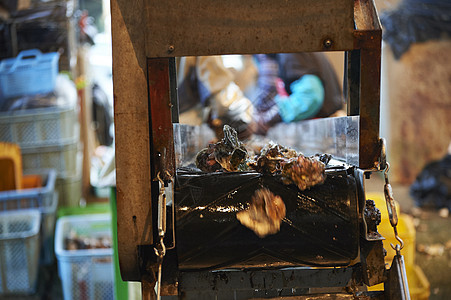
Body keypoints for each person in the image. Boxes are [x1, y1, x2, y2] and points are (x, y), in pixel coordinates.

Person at [252, 53, 345, 135]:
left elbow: (310, 97)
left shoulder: (291, 52)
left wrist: (273, 117)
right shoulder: (290, 52)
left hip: (325, 132)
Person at [177, 56, 255, 139]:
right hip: (186, 131)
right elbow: (220, 95)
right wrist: (244, 114)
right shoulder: (200, 45)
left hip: (176, 130)